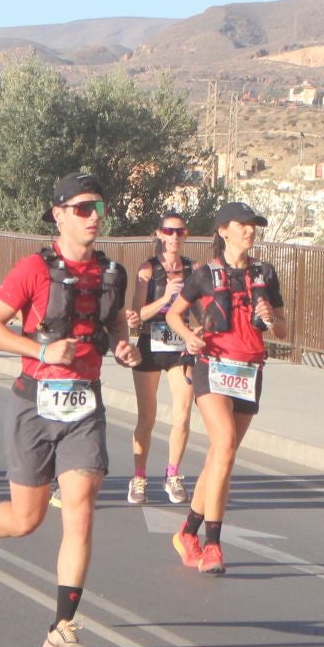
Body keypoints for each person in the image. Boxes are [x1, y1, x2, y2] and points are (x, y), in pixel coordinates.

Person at [0, 173, 140, 647]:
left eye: (98, 206)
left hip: (84, 404)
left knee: (80, 507)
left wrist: (122, 344)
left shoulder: (111, 273)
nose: (94, 215)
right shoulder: (34, 269)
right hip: (34, 402)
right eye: (82, 208)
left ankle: (62, 626)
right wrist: (40, 347)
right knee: (27, 519)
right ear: (58, 214)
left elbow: (114, 319)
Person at [164, 203, 288, 577]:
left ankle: (187, 531)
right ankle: (214, 544)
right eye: (242, 225)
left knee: (221, 458)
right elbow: (174, 314)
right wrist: (189, 338)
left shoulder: (266, 274)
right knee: (225, 445)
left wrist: (271, 319)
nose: (250, 232)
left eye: (254, 226)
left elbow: (283, 329)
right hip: (213, 369)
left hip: (250, 371)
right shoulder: (204, 274)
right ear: (223, 231)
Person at [123, 211, 198, 506]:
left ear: (186, 235)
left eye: (180, 232)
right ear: (159, 234)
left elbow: (204, 307)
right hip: (150, 345)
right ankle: (139, 477)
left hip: (180, 348)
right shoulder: (147, 270)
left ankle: (173, 475)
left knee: (182, 415)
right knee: (147, 417)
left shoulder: (194, 269)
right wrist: (166, 297)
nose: (174, 237)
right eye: (169, 231)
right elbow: (135, 317)